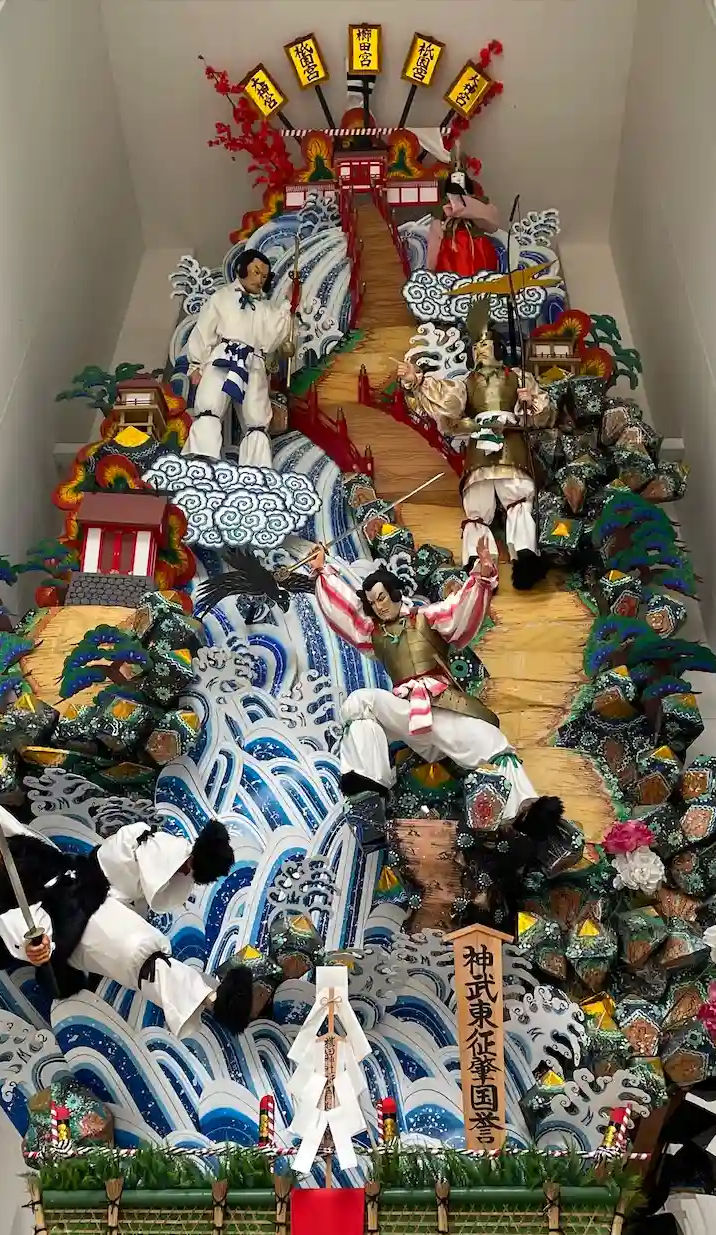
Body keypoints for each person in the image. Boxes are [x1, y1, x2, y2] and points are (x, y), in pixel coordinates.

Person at [0, 771, 258, 1037]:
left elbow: (1, 825)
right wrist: (36, 947)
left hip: (87, 878)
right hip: (73, 922)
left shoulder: (17, 848)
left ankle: (193, 863)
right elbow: (25, 931)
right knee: (137, 948)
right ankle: (214, 1000)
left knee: (132, 839)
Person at [306, 539, 561, 837]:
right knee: (359, 702)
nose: (379, 606)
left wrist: (481, 576)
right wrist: (324, 570)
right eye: (373, 602)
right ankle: (368, 792)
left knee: (491, 740)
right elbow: (347, 612)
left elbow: (459, 608)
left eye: (382, 597)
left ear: (396, 593)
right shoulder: (373, 633)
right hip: (406, 711)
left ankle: (525, 813)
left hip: (440, 706)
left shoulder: (427, 617)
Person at [398, 304, 555, 590]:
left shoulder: (519, 378)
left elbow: (542, 415)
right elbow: (448, 404)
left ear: (498, 347)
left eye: (485, 344)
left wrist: (528, 401)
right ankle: (478, 565)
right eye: (476, 346)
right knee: (477, 509)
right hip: (480, 447)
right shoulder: (466, 383)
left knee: (518, 500)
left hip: (510, 441)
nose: (480, 350)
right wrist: (417, 379)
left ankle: (525, 557)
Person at [183, 248, 294, 468]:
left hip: (253, 361)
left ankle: (257, 468)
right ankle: (201, 459)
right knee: (210, 405)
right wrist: (196, 363)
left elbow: (272, 339)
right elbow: (204, 330)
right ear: (242, 269)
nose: (259, 279)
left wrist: (287, 305)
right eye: (256, 272)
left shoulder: (263, 308)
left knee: (256, 415)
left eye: (264, 276)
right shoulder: (221, 297)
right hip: (223, 356)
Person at [426, 145, 501, 276]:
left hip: (475, 244)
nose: (458, 182)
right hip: (453, 246)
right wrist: (430, 265)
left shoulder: (477, 200)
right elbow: (436, 233)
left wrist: (470, 209)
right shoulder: (444, 204)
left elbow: (491, 225)